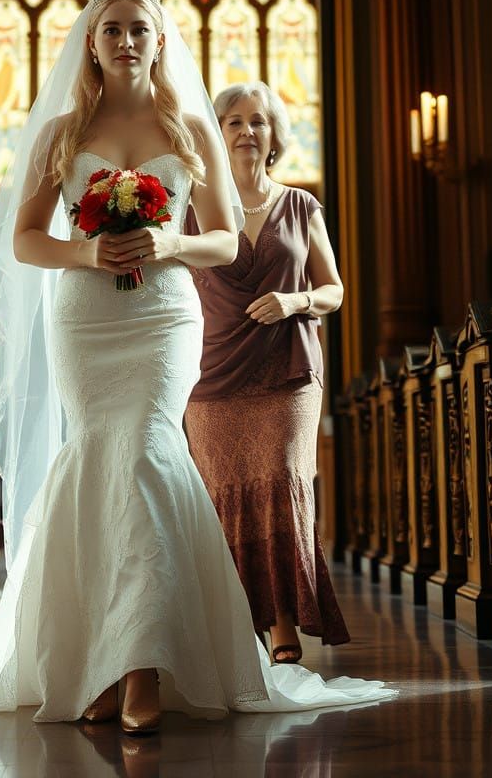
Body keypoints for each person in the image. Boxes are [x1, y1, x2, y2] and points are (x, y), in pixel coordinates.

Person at [0, 0, 393, 732]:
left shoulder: (189, 127)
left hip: (164, 318)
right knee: (100, 458)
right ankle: (93, 660)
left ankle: (141, 663)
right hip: (85, 318)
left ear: (160, 39)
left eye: (139, 28)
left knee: (146, 452)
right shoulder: (62, 133)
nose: (126, 41)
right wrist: (87, 254)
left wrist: (169, 241)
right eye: (111, 29)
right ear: (92, 41)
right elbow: (21, 240)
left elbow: (225, 238)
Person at [184, 81, 349, 663]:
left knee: (280, 484)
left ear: (274, 134)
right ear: (216, 133)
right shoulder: (193, 210)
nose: (247, 131)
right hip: (212, 373)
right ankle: (235, 621)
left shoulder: (301, 206)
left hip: (288, 371)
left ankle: (282, 622)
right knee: (222, 494)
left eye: (258, 121)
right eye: (233, 121)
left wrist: (293, 301)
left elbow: (334, 290)